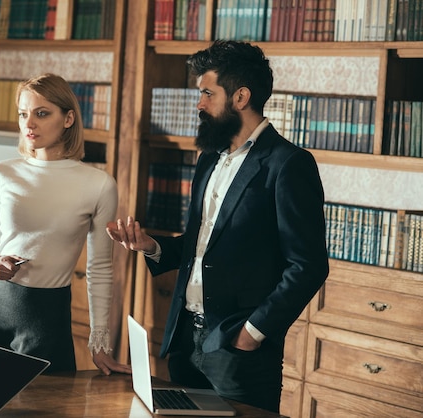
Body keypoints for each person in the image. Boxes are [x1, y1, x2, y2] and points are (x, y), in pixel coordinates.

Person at [107, 40, 329, 413]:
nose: (200, 104)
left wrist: (252, 333)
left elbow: (308, 266)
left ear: (240, 96)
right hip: (183, 344)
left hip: (238, 353)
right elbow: (201, 246)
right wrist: (151, 246)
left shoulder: (288, 164)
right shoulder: (209, 160)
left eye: (208, 93)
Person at [0, 73, 131, 376]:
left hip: (48, 319)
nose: (29, 124)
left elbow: (99, 269)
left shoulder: (98, 185)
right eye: (23, 114)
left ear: (68, 118)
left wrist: (99, 343)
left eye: (42, 113)